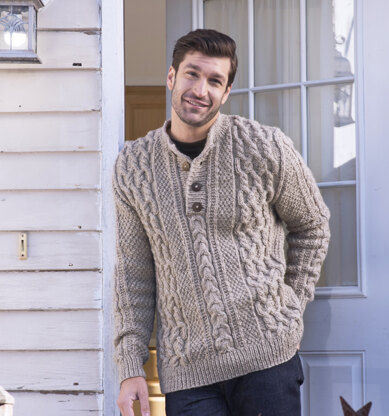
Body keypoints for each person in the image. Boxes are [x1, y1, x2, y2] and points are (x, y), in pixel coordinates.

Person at [113, 29, 330, 416]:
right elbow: (133, 272)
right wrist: (130, 367)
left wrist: (291, 308)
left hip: (267, 359)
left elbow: (312, 227)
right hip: (187, 372)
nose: (200, 90)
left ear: (226, 91)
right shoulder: (133, 166)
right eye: (192, 74)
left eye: (214, 80)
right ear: (171, 76)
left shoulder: (264, 146)